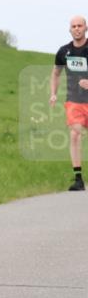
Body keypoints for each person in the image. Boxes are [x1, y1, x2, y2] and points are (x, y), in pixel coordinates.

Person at [50, 15, 88, 191]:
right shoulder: (64, 51)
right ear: (70, 29)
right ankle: (78, 179)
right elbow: (56, 73)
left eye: (80, 25)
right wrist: (53, 94)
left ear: (86, 28)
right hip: (74, 101)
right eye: (74, 26)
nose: (77, 28)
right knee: (75, 134)